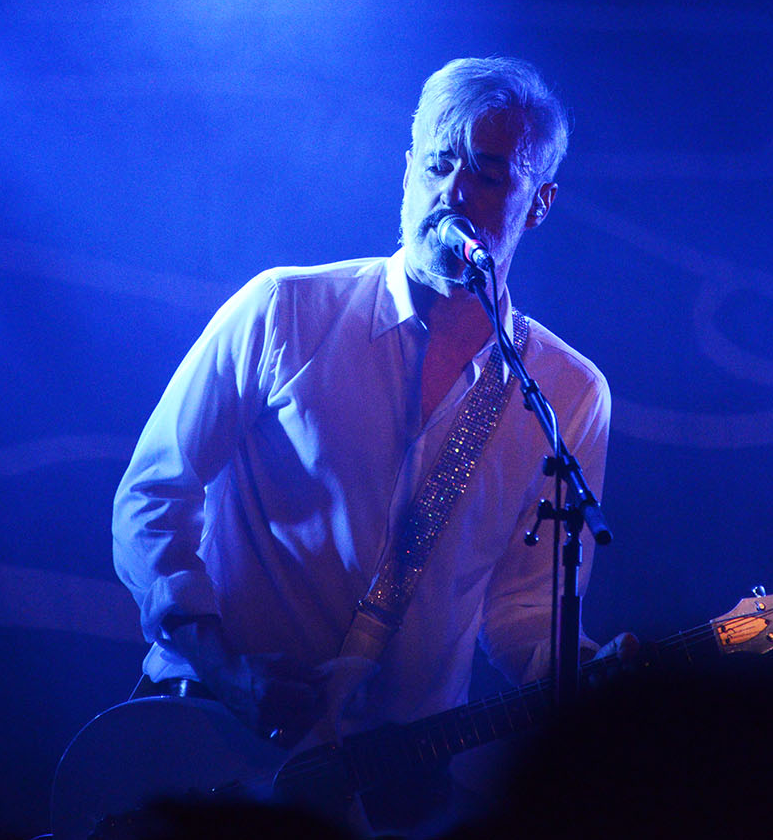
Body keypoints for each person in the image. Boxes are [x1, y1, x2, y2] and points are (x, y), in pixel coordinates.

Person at [111, 57, 614, 752]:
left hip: (383, 776)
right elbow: (152, 495)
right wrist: (223, 666)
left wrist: (591, 669)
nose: (454, 192)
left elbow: (524, 611)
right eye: (438, 164)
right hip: (207, 730)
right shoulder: (285, 309)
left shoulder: (567, 392)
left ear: (539, 203)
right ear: (407, 171)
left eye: (489, 174)